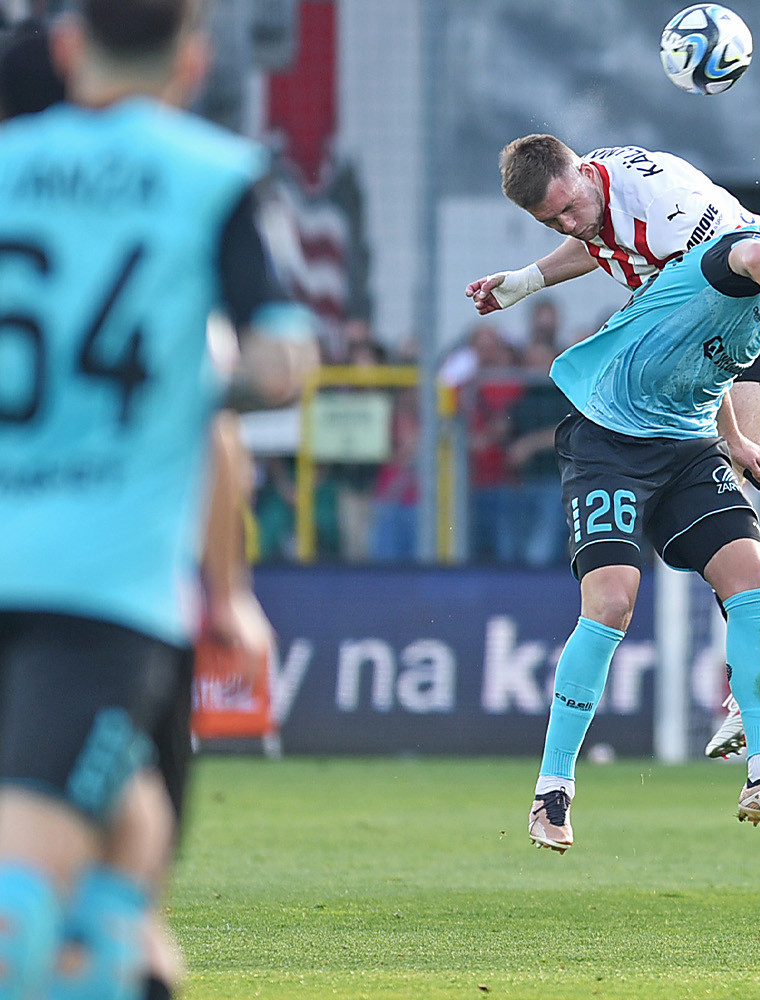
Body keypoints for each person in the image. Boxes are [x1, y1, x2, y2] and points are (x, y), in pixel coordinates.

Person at [0, 4, 317, 999]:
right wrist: (179, 381)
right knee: (25, 897)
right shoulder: (215, 176)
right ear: (192, 59)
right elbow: (278, 368)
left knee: (129, 853)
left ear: (65, 46)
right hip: (100, 590)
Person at [520, 191, 760, 853]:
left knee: (753, 578)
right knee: (611, 603)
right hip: (608, 440)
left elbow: (703, 367)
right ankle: (554, 789)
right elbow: (756, 255)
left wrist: (738, 441)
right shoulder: (746, 251)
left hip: (688, 446)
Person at [463, 136, 760, 675]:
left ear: (581, 173)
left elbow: (730, 284)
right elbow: (593, 235)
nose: (567, 223)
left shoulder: (668, 209)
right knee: (730, 468)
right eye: (551, 220)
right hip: (737, 299)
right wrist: (526, 281)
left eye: (567, 209)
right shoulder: (592, 187)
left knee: (746, 448)